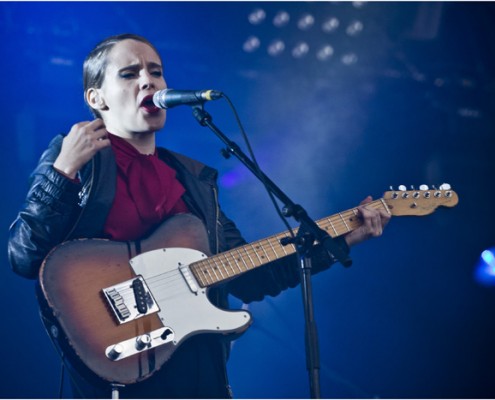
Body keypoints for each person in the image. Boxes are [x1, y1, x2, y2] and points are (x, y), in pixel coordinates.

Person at [8, 33, 390, 399]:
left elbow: (253, 277)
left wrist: (342, 238)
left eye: (155, 71)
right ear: (96, 98)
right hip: (119, 367)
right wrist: (61, 172)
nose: (148, 80)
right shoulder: (77, 159)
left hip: (197, 371)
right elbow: (24, 255)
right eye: (129, 73)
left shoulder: (192, 179)